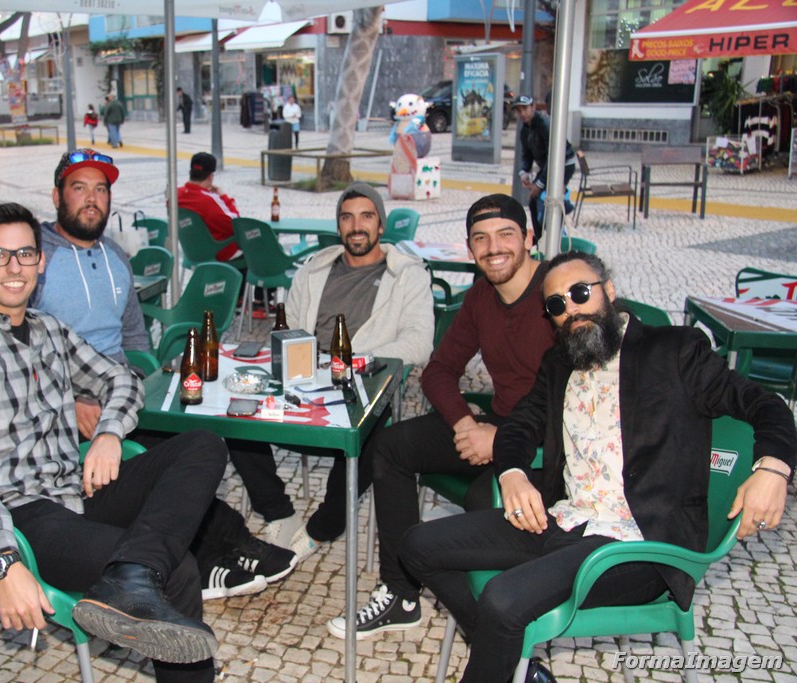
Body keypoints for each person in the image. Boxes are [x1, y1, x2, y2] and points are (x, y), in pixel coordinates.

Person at [400, 251, 797, 683]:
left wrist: (773, 469)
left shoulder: (674, 350)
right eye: (556, 304)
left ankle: (498, 648)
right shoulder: (559, 363)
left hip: (639, 545)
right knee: (418, 545)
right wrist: (512, 474)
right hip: (566, 521)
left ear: (608, 290)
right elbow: (519, 428)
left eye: (579, 293)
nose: (570, 309)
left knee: (502, 599)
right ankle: (505, 652)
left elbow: (765, 404)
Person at [0, 201, 226, 681]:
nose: (14, 268)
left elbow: (121, 379)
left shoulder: (48, 330)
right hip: (12, 515)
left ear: (41, 261)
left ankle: (131, 577)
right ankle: (137, 580)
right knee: (178, 568)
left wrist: (108, 434)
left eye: (25, 254)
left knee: (203, 444)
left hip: (71, 490)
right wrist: (3, 563)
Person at [31, 149, 297, 600]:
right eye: (79, 188)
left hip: (122, 390)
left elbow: (135, 335)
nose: (92, 199)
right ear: (57, 196)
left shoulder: (115, 256)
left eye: (101, 189)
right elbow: (21, 352)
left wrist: (143, 380)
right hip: (69, 407)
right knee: (166, 467)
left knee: (219, 413)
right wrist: (69, 400)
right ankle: (224, 547)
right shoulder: (34, 261)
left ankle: (264, 518)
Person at [324, 193, 556, 641]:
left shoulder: (555, 292)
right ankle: (401, 594)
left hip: (550, 444)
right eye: (481, 239)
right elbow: (438, 370)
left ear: (529, 238)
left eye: (506, 234)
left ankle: (499, 631)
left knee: (481, 501)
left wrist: (500, 438)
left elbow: (576, 392)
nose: (494, 248)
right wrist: (466, 425)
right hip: (496, 425)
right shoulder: (482, 296)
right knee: (391, 447)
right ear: (469, 249)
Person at [231, 182, 434, 563]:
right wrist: (304, 364)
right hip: (304, 382)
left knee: (374, 434)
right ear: (338, 225)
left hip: (362, 385)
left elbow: (419, 343)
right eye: (347, 217)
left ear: (381, 224)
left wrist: (351, 361)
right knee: (234, 412)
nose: (357, 226)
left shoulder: (408, 275)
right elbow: (289, 328)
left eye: (366, 216)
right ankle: (278, 511)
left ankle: (322, 528)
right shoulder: (314, 269)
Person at [511, 95, 576, 244]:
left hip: (563, 164)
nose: (522, 113)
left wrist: (539, 184)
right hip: (548, 166)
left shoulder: (545, 124)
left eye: (525, 109)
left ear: (533, 107)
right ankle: (541, 238)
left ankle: (559, 235)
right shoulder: (525, 130)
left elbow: (553, 156)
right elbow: (526, 154)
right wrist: (524, 172)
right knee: (534, 200)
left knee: (545, 199)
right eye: (519, 110)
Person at [177, 152, 240, 262]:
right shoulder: (208, 200)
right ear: (210, 177)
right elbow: (236, 224)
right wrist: (224, 197)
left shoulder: (175, 195)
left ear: (190, 172)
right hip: (218, 252)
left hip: (192, 251)